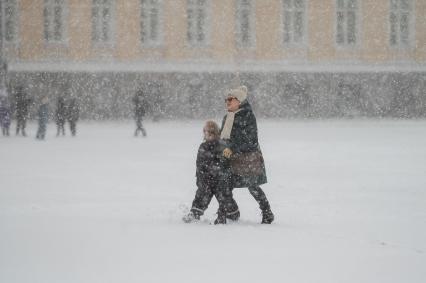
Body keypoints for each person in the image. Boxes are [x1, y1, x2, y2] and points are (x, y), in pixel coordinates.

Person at [221, 85, 274, 224]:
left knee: (253, 186)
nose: (227, 102)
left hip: (248, 159)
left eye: (230, 99)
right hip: (230, 159)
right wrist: (222, 148)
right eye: (226, 99)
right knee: (224, 185)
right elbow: (223, 138)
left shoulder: (248, 116)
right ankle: (231, 212)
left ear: (239, 100)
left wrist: (232, 148)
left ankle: (267, 212)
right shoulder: (227, 117)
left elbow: (250, 140)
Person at [183, 120, 240, 224]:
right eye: (206, 131)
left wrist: (219, 171)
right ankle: (195, 212)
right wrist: (200, 180)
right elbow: (199, 165)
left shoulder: (224, 147)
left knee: (225, 196)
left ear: (216, 133)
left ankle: (231, 213)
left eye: (211, 132)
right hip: (207, 179)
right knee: (202, 193)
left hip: (222, 180)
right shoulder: (202, 147)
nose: (208, 134)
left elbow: (227, 165)